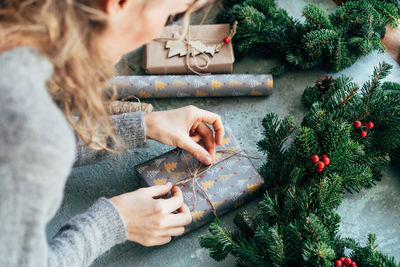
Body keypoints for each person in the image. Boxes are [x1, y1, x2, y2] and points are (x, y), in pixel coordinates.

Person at [0, 0, 224, 266]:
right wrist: (115, 222)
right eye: (170, 13)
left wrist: (142, 126)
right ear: (119, 3)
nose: (156, 33)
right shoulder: (31, 127)